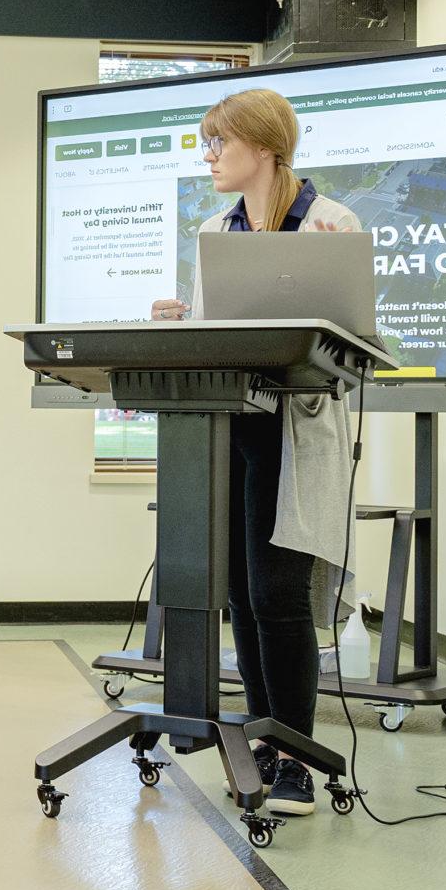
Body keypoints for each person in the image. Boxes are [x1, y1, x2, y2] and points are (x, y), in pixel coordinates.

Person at [150, 87, 363, 819]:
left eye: (220, 143)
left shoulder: (333, 223)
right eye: (208, 144)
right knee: (239, 594)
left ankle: (298, 757)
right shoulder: (216, 229)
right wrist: (177, 324)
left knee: (278, 596)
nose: (209, 156)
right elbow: (217, 339)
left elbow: (353, 345)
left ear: (264, 147)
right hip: (232, 431)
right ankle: (262, 744)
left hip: (296, 434)